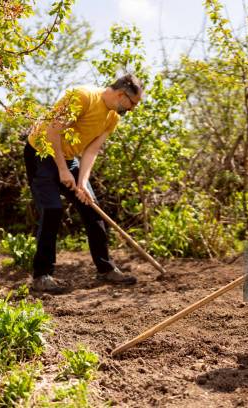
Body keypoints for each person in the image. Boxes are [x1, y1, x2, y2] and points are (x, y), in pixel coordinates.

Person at [24, 74, 143, 292]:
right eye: (133, 103)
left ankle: (106, 270)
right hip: (40, 153)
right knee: (52, 210)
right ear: (121, 94)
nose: (133, 109)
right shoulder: (82, 96)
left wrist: (82, 182)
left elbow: (91, 150)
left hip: (69, 159)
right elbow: (53, 130)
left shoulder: (112, 118)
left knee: (92, 208)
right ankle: (42, 276)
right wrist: (62, 170)